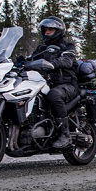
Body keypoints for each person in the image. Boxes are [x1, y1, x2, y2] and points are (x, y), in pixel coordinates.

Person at [31, 16, 79, 149]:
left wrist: (52, 64)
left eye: (50, 29)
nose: (46, 32)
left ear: (58, 30)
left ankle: (65, 134)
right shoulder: (42, 48)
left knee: (54, 95)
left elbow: (67, 60)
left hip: (68, 85)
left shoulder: (67, 46)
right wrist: (21, 62)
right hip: (47, 84)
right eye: (45, 29)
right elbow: (32, 58)